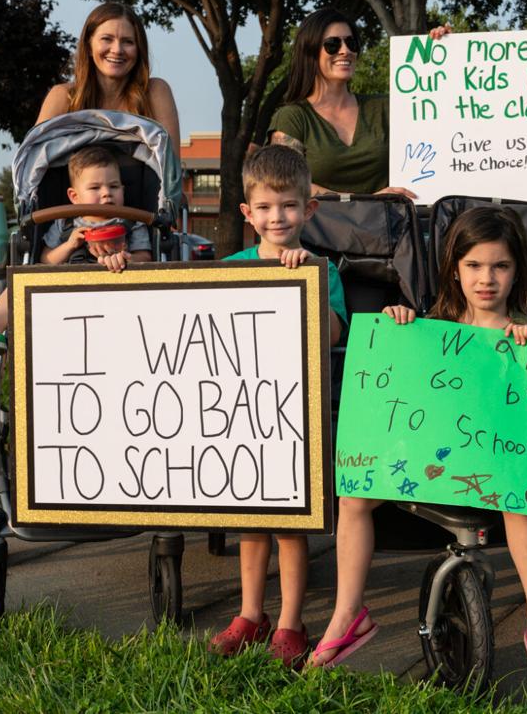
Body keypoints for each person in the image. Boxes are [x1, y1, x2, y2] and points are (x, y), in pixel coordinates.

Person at [309, 207, 527, 691]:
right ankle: (349, 613)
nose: (486, 279)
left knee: (520, 500)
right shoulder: (432, 327)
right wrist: (399, 325)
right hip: (437, 468)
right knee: (354, 497)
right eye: (474, 266)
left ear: (517, 270)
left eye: (500, 266)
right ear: (455, 268)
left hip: (499, 475)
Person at [0, 1, 180, 356]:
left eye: (128, 41)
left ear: (139, 49)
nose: (117, 50)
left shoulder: (154, 91)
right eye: (107, 39)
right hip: (66, 245)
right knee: (31, 272)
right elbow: (36, 162)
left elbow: (170, 161)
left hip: (130, 240)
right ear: (88, 44)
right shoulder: (62, 97)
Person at [207, 144, 347, 667]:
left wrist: (304, 277)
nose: (277, 217)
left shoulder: (322, 269)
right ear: (247, 214)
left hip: (295, 413)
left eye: (288, 206)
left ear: (309, 208)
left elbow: (334, 333)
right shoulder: (231, 267)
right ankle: (249, 613)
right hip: (243, 413)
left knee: (290, 523)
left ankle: (289, 620)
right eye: (265, 208)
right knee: (251, 519)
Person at [0, 148, 151, 353]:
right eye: (95, 188)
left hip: (117, 290)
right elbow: (46, 258)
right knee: (20, 282)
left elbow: (147, 257)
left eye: (114, 186)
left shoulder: (132, 223)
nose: (106, 193)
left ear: (123, 189)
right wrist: (69, 245)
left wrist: (126, 259)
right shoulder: (64, 222)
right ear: (74, 196)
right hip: (65, 290)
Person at [268, 8, 425, 198]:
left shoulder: (385, 107)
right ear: (310, 51)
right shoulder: (293, 118)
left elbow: (439, 112)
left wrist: (444, 47)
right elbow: (284, 182)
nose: (346, 51)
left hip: (387, 225)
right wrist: (360, 201)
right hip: (320, 226)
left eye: (351, 43)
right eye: (333, 44)